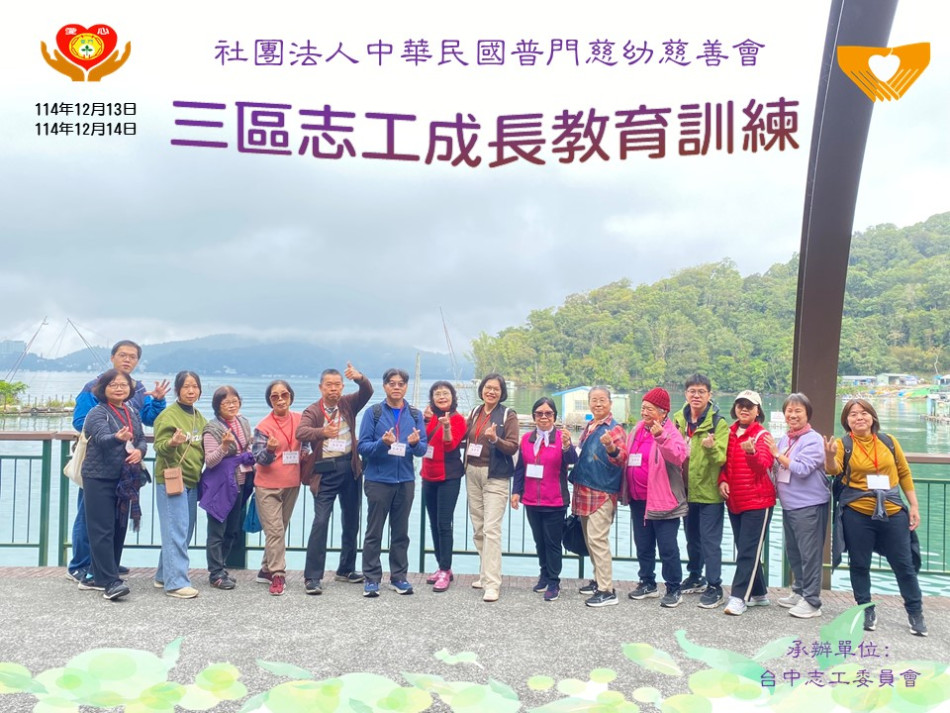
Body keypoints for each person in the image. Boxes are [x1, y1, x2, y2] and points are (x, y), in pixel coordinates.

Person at [67, 340, 169, 584]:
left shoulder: (137, 388)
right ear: (112, 357)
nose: (127, 359)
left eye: (132, 356)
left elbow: (148, 420)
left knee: (116, 517)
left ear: (137, 361)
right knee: (89, 515)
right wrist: (113, 431)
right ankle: (80, 564)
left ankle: (105, 562)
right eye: (123, 355)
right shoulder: (93, 387)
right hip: (98, 461)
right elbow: (80, 421)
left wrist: (157, 401)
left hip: (124, 465)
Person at [825, 398, 927, 636]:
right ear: (846, 420)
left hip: (893, 510)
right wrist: (829, 457)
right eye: (853, 414)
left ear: (872, 417)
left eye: (863, 413)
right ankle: (866, 610)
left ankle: (915, 612)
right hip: (857, 512)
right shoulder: (843, 444)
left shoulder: (888, 442)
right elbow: (834, 470)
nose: (859, 417)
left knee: (904, 564)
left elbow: (903, 472)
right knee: (859, 564)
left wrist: (913, 505)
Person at [297, 363, 373, 595]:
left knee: (351, 520)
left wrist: (359, 377)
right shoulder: (313, 411)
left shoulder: (348, 403)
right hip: (325, 471)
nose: (334, 389)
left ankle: (346, 569)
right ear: (321, 388)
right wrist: (322, 432)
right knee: (321, 521)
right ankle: (312, 577)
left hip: (350, 467)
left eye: (338, 385)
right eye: (329, 385)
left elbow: (367, 391)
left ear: (342, 387)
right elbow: (301, 432)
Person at [357, 368, 427, 597]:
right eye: (392, 383)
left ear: (406, 387)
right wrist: (382, 444)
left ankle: (399, 577)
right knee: (374, 531)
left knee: (400, 532)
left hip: (405, 481)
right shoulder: (374, 413)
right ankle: (371, 578)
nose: (396, 387)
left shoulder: (415, 415)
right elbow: (362, 447)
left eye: (401, 383)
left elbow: (422, 449)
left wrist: (415, 444)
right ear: (385, 386)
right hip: (378, 480)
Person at [79, 369, 148, 600]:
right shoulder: (97, 413)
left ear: (130, 389)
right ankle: (109, 582)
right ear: (103, 388)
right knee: (102, 529)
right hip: (99, 477)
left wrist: (139, 451)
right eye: (113, 385)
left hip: (124, 478)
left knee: (119, 527)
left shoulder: (131, 411)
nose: (119, 388)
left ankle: (98, 576)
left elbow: (141, 439)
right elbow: (101, 439)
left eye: (123, 385)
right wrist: (117, 438)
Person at [622, 388, 689, 608]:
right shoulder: (638, 429)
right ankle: (647, 583)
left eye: (649, 409)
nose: (644, 412)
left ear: (663, 412)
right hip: (638, 499)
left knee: (667, 548)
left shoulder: (671, 432)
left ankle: (674, 588)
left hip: (663, 501)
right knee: (643, 544)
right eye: (643, 408)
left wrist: (661, 436)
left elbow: (679, 456)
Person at [763, 392, 828, 619]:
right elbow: (777, 467)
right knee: (794, 551)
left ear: (807, 414)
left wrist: (776, 454)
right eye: (789, 411)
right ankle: (799, 591)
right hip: (789, 505)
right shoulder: (786, 439)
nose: (793, 415)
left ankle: (812, 601)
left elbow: (801, 469)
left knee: (810, 554)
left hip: (810, 505)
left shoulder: (813, 439)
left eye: (798, 410)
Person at [510, 397, 576, 602]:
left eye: (548, 413)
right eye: (539, 413)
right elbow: (520, 468)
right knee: (539, 542)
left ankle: (554, 581)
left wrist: (567, 446)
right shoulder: (526, 439)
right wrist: (516, 491)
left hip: (555, 500)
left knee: (553, 543)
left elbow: (573, 460)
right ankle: (544, 575)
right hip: (531, 499)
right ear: (534, 417)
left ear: (554, 417)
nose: (544, 417)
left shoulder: (562, 438)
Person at [672, 374, 729, 609]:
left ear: (709, 395)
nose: (696, 396)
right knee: (692, 538)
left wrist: (711, 447)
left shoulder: (718, 422)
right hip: (685, 491)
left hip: (709, 492)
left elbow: (722, 457)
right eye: (692, 391)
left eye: (701, 392)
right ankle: (695, 576)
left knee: (710, 542)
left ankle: (715, 585)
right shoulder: (678, 420)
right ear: (686, 394)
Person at [718, 390, 775, 616]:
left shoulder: (762, 435)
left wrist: (751, 453)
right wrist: (722, 480)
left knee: (748, 551)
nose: (744, 409)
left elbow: (763, 466)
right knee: (745, 549)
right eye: (740, 405)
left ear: (757, 411)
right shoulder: (729, 433)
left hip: (758, 502)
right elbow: (725, 464)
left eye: (749, 406)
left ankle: (738, 597)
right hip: (735, 500)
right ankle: (759, 593)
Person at [463, 373, 519, 603]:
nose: (491, 392)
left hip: (495, 476)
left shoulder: (508, 415)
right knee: (478, 528)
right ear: (482, 389)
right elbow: (463, 437)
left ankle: (493, 584)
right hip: (472, 472)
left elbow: (513, 446)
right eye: (488, 387)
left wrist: (496, 439)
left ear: (502, 392)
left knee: (491, 530)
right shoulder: (475, 412)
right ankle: (485, 574)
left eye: (496, 389)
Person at [152, 371, 206, 599]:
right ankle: (176, 583)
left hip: (192, 479)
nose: (191, 391)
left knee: (184, 530)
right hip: (172, 479)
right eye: (186, 387)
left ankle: (163, 575)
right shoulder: (168, 416)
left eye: (195, 386)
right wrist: (172, 443)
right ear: (177, 390)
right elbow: (159, 446)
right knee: (176, 529)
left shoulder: (199, 417)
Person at [572, 386, 627, 607]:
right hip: (584, 490)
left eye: (602, 400)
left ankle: (607, 590)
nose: (598, 404)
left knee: (598, 540)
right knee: (590, 540)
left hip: (602, 492)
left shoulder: (615, 429)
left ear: (610, 403)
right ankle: (597, 580)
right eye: (594, 400)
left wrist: (611, 447)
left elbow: (622, 457)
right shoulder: (590, 427)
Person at [252, 380, 307, 596]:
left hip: (291, 483)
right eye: (275, 396)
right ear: (270, 401)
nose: (280, 399)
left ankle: (265, 569)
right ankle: (278, 575)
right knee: (274, 531)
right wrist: (269, 450)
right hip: (267, 486)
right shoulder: (263, 427)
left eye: (284, 394)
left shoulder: (300, 420)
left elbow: (306, 442)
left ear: (291, 396)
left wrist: (306, 453)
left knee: (280, 528)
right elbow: (259, 458)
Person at [200, 386, 254, 590]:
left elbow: (248, 446)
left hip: (240, 482)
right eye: (226, 403)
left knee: (232, 530)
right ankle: (215, 573)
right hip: (220, 487)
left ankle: (222, 568)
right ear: (217, 406)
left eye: (235, 401)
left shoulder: (243, 422)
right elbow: (210, 461)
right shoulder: (212, 429)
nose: (232, 406)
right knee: (217, 531)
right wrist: (223, 447)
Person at [421, 381, 467, 593]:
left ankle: (445, 569)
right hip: (428, 474)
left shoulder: (457, 419)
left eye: (445, 393)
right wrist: (424, 421)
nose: (441, 397)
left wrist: (446, 427)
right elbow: (421, 441)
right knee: (433, 523)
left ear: (452, 396)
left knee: (443, 523)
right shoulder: (428, 418)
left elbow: (450, 444)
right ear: (432, 398)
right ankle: (442, 566)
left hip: (449, 476)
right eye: (437, 394)